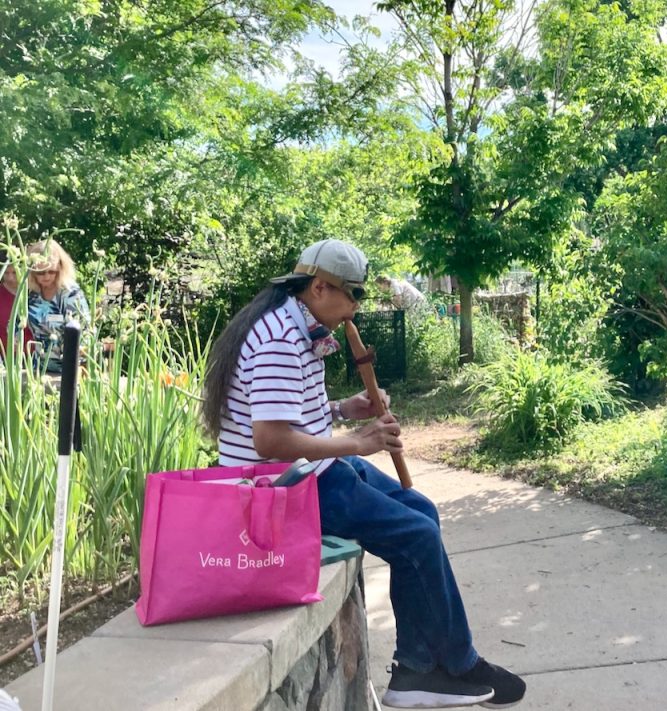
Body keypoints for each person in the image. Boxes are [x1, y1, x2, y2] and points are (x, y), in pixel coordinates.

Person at [202, 239, 526, 709]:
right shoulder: (278, 338)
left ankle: (420, 664)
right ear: (319, 287)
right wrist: (361, 442)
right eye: (353, 296)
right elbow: (269, 441)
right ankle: (456, 663)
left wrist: (343, 408)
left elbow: (289, 413)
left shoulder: (297, 326)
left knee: (422, 512)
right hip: (284, 489)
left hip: (314, 470)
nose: (356, 308)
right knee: (415, 535)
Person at [25, 240, 90, 373]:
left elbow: (85, 333)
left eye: (51, 271)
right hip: (39, 368)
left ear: (60, 267)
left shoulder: (71, 294)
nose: (47, 276)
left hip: (71, 369)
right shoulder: (31, 295)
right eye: (40, 272)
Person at [0, 250, 30, 357]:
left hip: (33, 358)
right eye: (6, 273)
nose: (10, 278)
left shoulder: (34, 293)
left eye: (14, 272)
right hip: (5, 358)